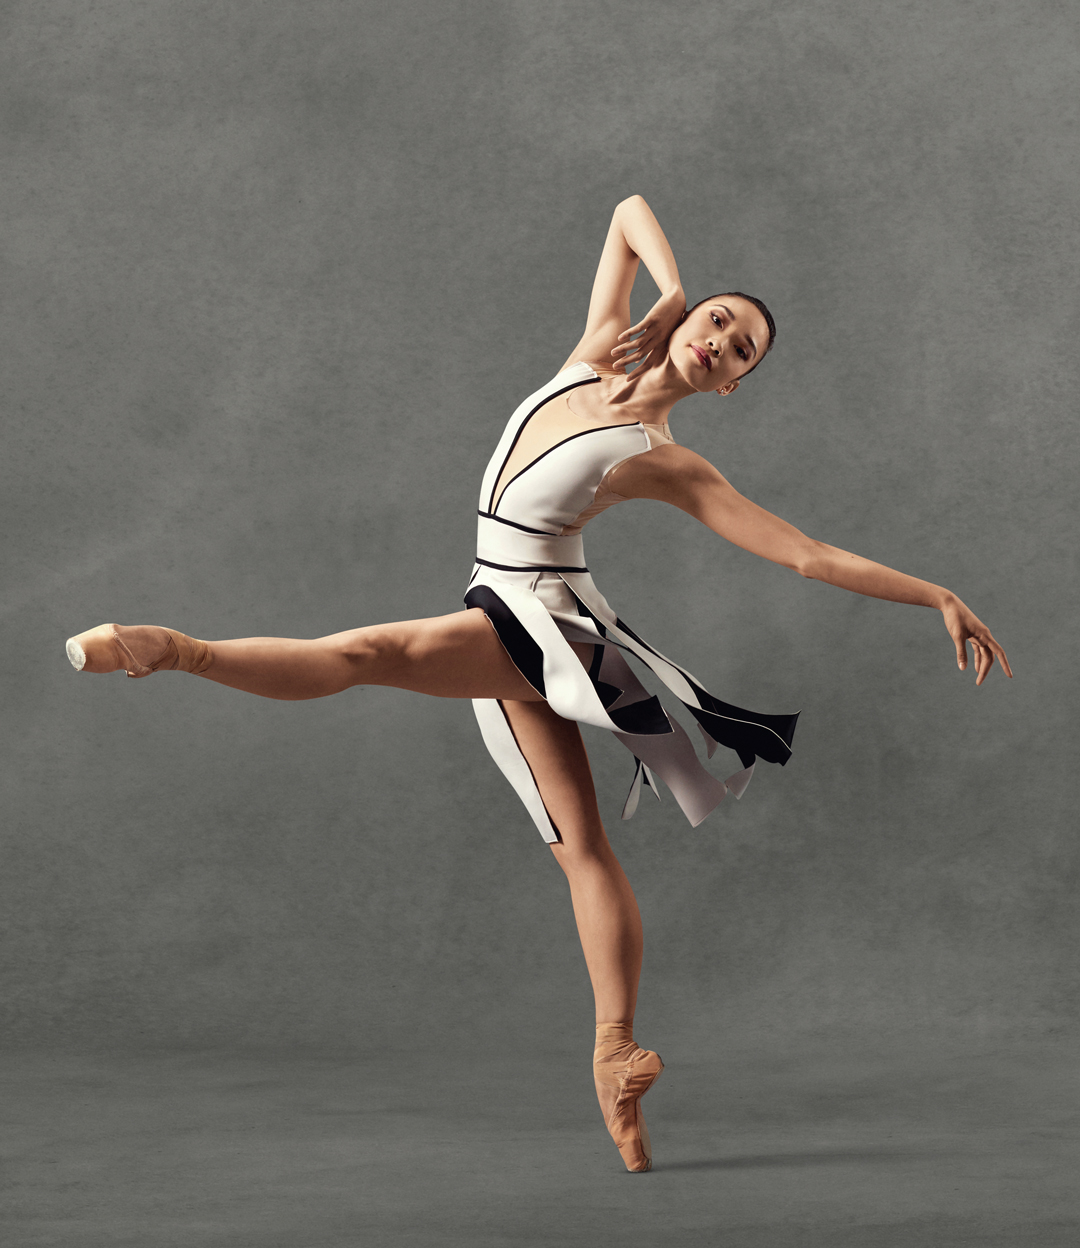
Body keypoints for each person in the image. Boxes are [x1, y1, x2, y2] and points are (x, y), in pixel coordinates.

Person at [64, 195, 1012, 1173]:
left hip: (544, 623)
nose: (719, 342)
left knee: (369, 654)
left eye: (739, 354)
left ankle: (170, 650)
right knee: (582, 849)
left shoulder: (666, 462)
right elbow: (627, 214)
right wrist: (675, 279)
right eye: (719, 320)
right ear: (687, 317)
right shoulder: (598, 346)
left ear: (729, 386)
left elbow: (807, 556)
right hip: (505, 602)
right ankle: (615, 1059)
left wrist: (934, 592)